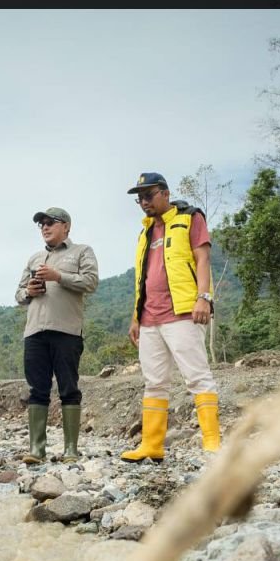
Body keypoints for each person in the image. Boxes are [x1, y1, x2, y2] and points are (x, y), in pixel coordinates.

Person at [120, 172, 221, 462]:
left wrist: (204, 298)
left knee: (197, 376)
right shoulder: (145, 233)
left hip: (183, 312)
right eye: (140, 198)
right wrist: (136, 318)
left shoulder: (190, 218)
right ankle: (152, 445)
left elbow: (202, 259)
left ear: (165, 193)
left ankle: (212, 442)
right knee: (154, 381)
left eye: (149, 195)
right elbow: (142, 279)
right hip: (149, 318)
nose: (144, 202)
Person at [15, 206, 98, 463]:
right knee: (37, 390)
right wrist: (29, 291)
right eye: (41, 224)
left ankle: (71, 450)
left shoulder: (82, 251)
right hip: (34, 332)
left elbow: (91, 282)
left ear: (66, 226)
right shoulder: (34, 258)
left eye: (50, 222)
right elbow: (18, 295)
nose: (45, 227)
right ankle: (36, 450)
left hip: (67, 331)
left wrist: (58, 276)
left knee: (69, 388)